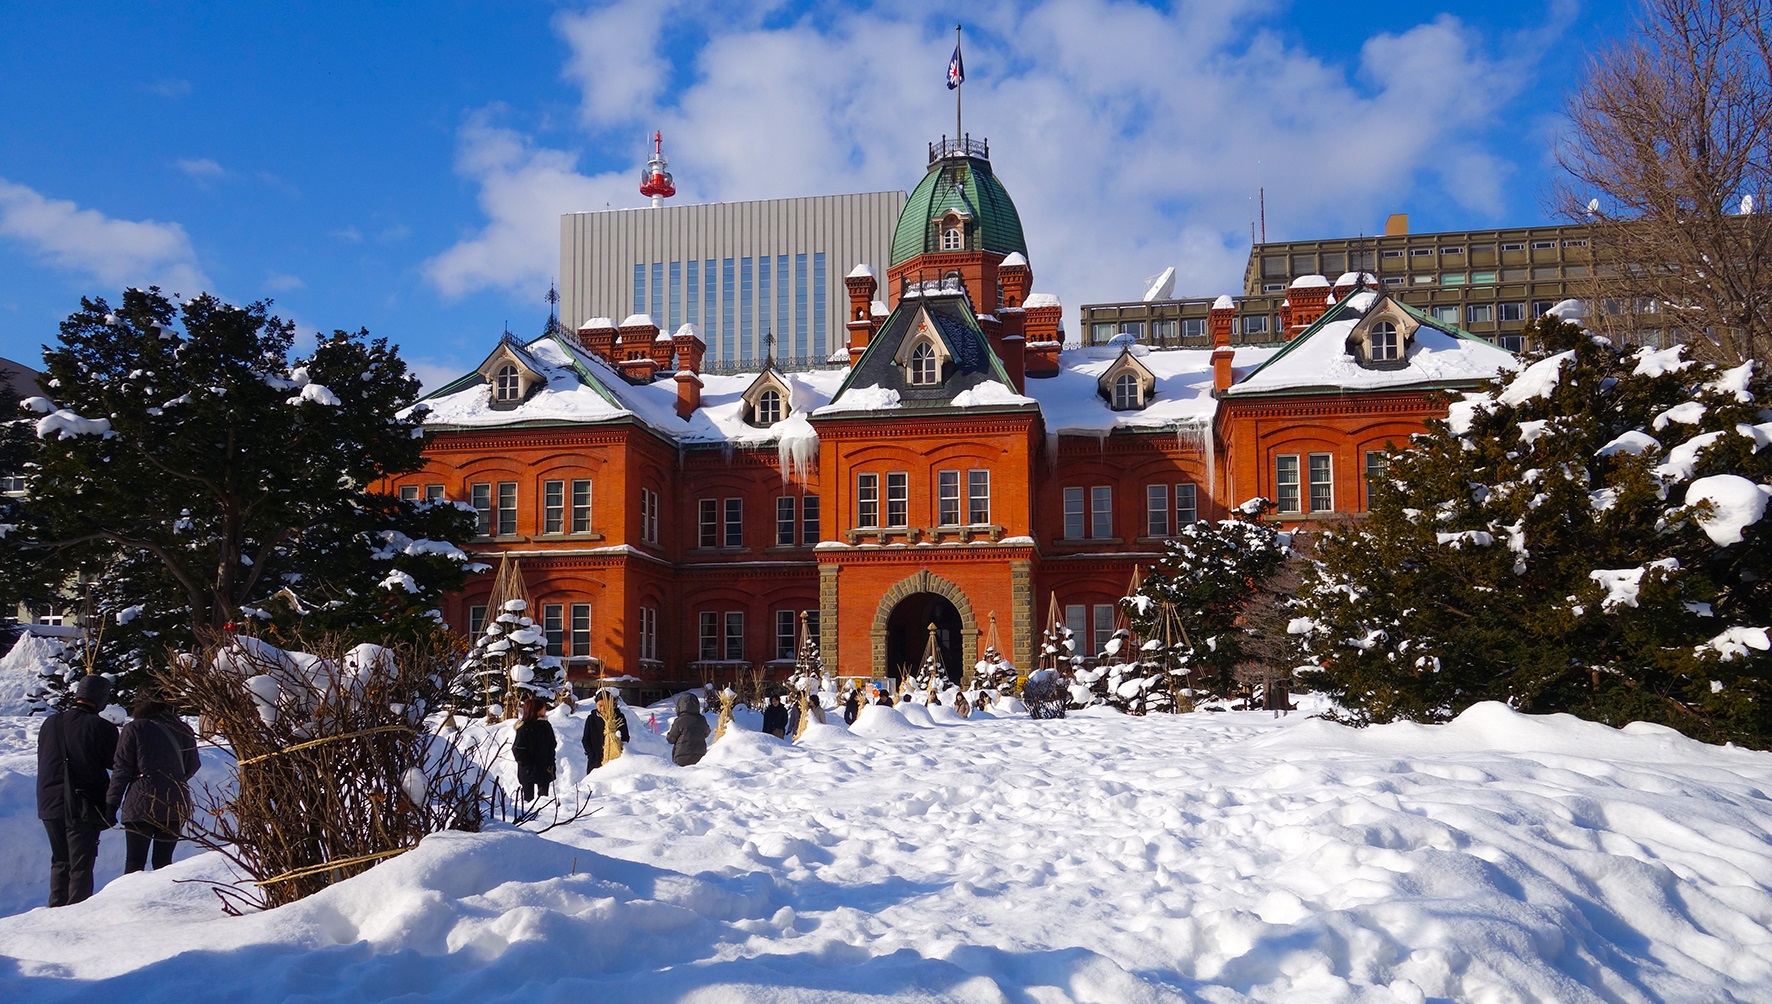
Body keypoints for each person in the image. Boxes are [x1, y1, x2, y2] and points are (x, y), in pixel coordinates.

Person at [37, 675, 120, 907]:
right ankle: (75, 916)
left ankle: (55, 910)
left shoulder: (49, 723)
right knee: (81, 866)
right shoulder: (102, 727)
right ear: (101, 699)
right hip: (84, 804)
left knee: (60, 861)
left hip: (49, 802)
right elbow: (115, 762)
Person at [106, 688, 200, 874]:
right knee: (164, 862)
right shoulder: (183, 729)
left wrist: (111, 803)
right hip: (175, 801)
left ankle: (133, 894)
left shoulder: (134, 728)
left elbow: (122, 769)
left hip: (141, 802)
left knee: (135, 863)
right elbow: (193, 765)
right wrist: (173, 779)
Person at [509, 697, 557, 801]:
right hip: (528, 771)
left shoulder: (546, 725)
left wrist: (551, 762)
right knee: (528, 801)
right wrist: (529, 766)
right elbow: (518, 750)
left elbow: (552, 745)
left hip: (545, 768)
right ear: (536, 710)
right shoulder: (524, 728)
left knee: (543, 800)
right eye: (543, 707)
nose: (545, 709)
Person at [582, 690, 630, 771]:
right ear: (596, 704)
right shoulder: (591, 719)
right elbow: (586, 739)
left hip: (615, 761)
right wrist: (592, 755)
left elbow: (625, 738)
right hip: (595, 761)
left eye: (606, 705)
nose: (603, 708)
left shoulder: (618, 718)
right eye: (600, 705)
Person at [665, 692, 710, 765]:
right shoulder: (702, 719)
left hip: (681, 757)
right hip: (700, 757)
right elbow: (707, 733)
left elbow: (670, 739)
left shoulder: (679, 721)